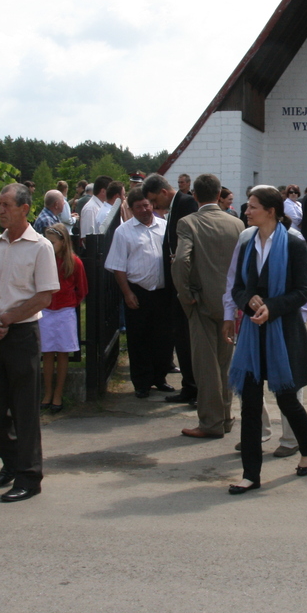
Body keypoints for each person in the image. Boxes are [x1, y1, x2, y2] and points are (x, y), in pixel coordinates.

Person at [225, 185, 307, 494]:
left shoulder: (295, 244)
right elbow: (237, 285)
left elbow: (304, 291)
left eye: (252, 206)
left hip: (283, 333)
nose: (246, 211)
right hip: (253, 332)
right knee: (250, 403)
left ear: (271, 211)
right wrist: (248, 300)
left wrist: (272, 307)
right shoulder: (247, 241)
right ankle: (251, 474)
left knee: (287, 400)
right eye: (247, 206)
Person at [0, 183, 59, 503]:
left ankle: (29, 475)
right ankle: (12, 460)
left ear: (25, 209)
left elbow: (45, 295)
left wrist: (7, 319)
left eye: (6, 204)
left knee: (24, 408)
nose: (0, 210)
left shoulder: (40, 247)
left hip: (21, 334)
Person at [172, 174, 245, 439]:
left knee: (206, 366)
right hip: (231, 303)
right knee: (225, 363)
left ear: (194, 195)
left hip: (201, 301)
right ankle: (225, 418)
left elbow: (181, 260)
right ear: (218, 194)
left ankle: (211, 423)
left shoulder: (188, 222)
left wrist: (185, 293)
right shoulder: (237, 223)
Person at [105, 187, 175, 398]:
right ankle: (142, 383)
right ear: (132, 210)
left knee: (163, 338)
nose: (145, 209)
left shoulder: (165, 226)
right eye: (139, 207)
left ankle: (160, 378)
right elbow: (118, 266)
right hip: (138, 292)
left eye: (147, 205)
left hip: (163, 292)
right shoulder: (123, 232)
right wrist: (127, 293)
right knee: (139, 339)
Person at [142, 174, 198, 404]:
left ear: (164, 192)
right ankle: (189, 387)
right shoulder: (174, 208)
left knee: (189, 338)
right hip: (175, 285)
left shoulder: (186, 204)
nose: (154, 207)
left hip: (186, 284)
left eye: (155, 201)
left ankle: (196, 388)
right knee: (181, 339)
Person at [39, 224, 87, 414]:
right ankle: (48, 392)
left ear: (63, 242)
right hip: (46, 310)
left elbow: (82, 289)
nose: (49, 246)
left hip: (65, 311)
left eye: (52, 242)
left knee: (63, 352)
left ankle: (58, 393)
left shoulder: (74, 263)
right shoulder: (43, 261)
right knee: (48, 353)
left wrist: (70, 302)